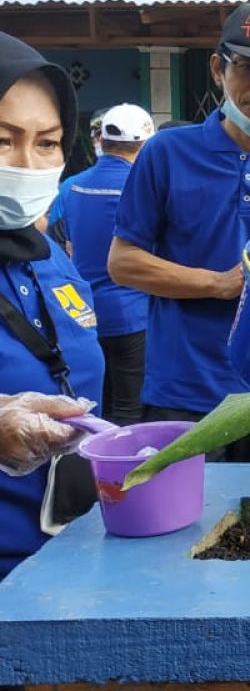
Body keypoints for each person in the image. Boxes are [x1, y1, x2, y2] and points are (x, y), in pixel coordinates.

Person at [109, 4, 250, 461]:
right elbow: (123, 262)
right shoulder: (167, 153)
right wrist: (218, 284)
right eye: (247, 67)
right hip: (185, 388)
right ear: (219, 69)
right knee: (182, 523)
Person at [0, 32, 102, 579]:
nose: (26, 164)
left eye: (47, 143)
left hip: (68, 565)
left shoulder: (52, 262)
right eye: (3, 140)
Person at [60, 104, 154, 425]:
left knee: (96, 404)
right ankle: (121, 473)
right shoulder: (144, 187)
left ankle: (94, 470)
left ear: (101, 139)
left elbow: (70, 248)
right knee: (129, 407)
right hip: (132, 315)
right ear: (145, 144)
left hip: (83, 312)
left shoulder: (71, 187)